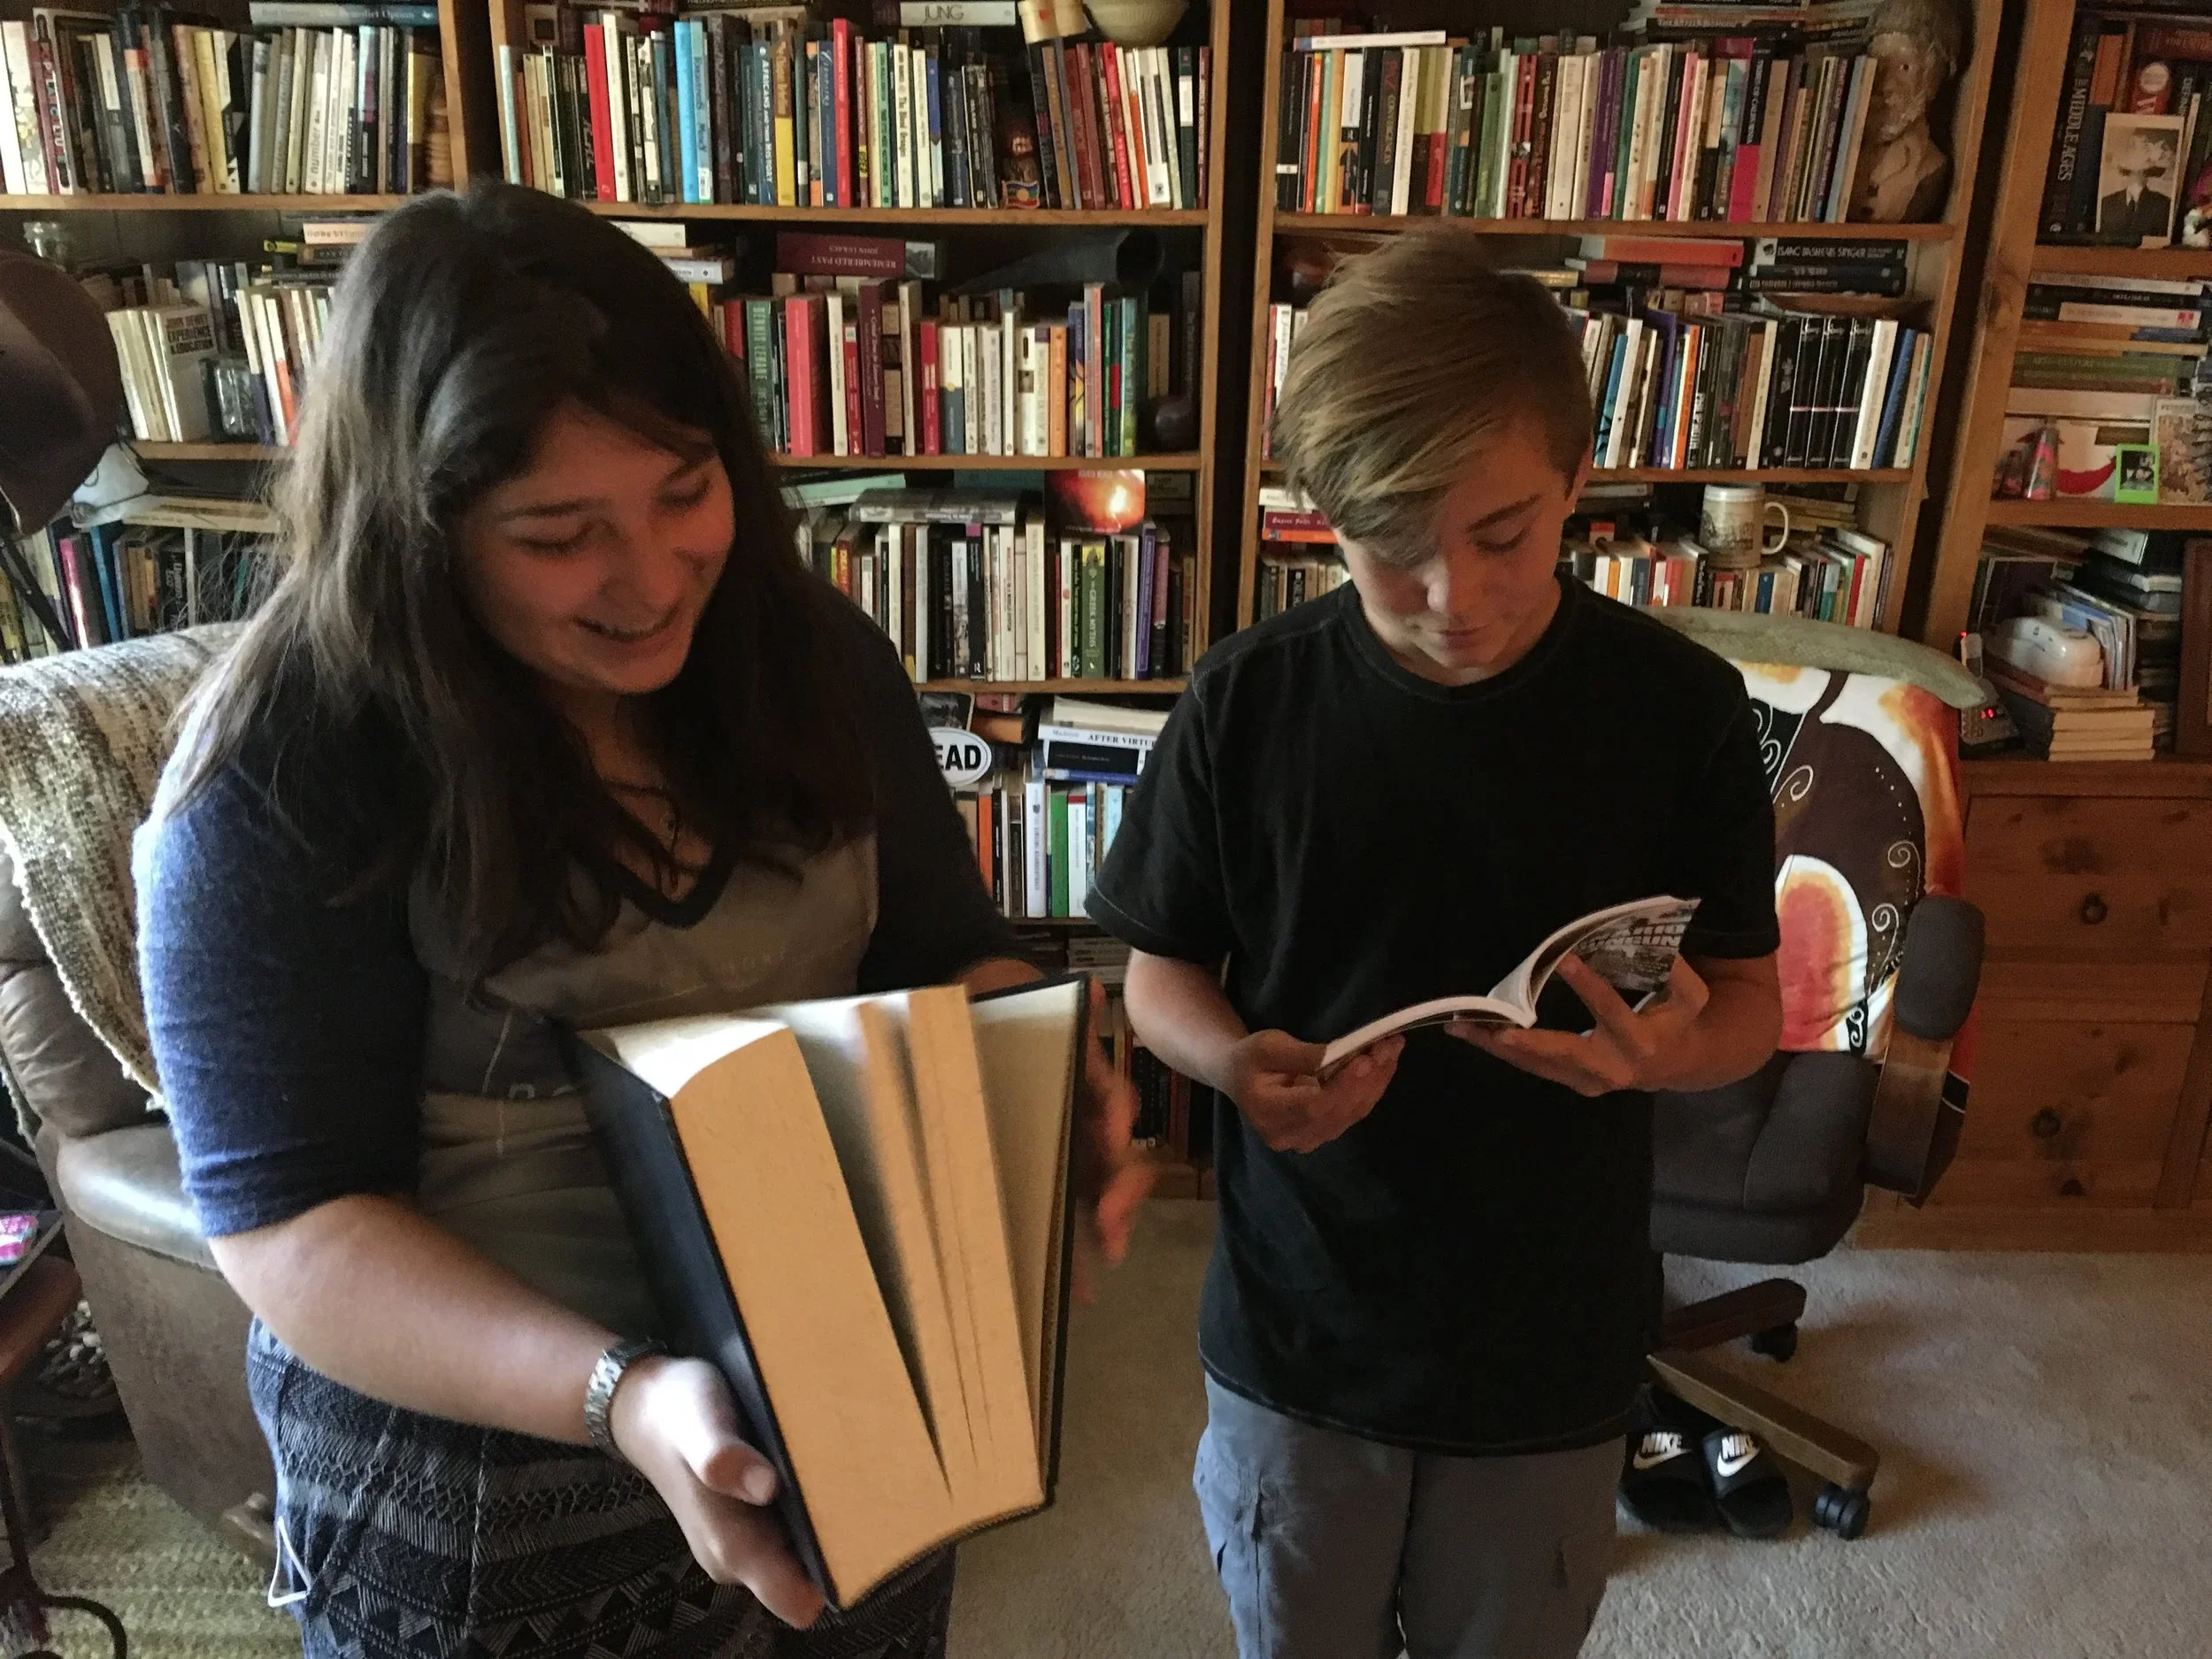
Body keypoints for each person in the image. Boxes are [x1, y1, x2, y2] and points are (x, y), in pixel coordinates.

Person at [135, 181, 1149, 1659]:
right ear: (419, 531)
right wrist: (623, 1393)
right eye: (560, 534)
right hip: (483, 1478)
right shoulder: (285, 773)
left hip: (838, 1393)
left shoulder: (811, 655)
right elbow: (292, 1228)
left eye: (687, 492)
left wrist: (1040, 1092)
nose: (655, 576)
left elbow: (940, 956)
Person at [1086, 231, 1784, 1659]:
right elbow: (1155, 968)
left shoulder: (1679, 711)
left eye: (1503, 534)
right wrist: (1230, 1059)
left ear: (1579, 478)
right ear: (1317, 516)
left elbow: (1757, 1006)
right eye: (1386, 549)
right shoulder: (1248, 703)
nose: (1452, 595)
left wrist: (1665, 1053)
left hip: (1550, 1332)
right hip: (1302, 1328)